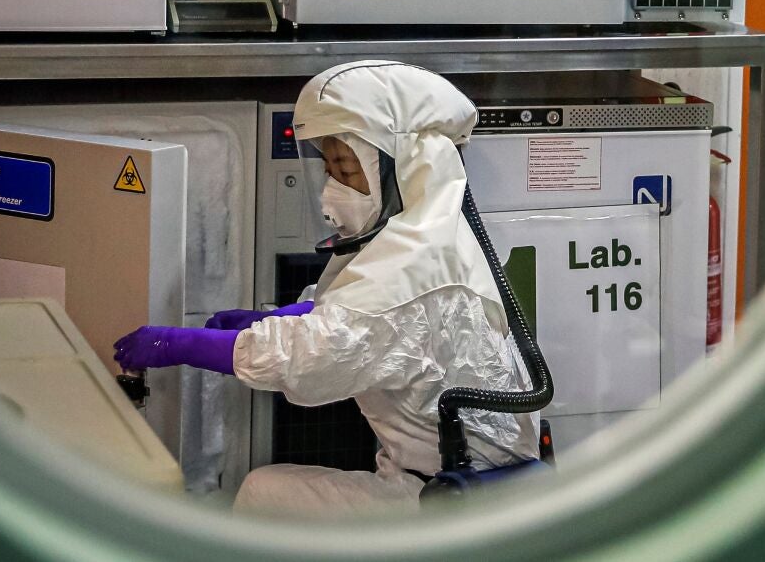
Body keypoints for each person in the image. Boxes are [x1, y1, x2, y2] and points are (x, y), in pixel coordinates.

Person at [113, 60, 539, 513]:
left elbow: (310, 353)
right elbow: (350, 316)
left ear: (404, 171)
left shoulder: (412, 279)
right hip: (453, 483)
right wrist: (268, 320)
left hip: (451, 502)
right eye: (329, 168)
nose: (331, 190)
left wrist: (175, 344)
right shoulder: (432, 249)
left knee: (263, 492)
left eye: (348, 171)